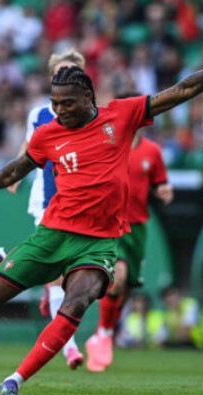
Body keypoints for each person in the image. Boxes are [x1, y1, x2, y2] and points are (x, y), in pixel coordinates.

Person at [0, 37, 203, 395]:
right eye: (54, 103)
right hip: (53, 234)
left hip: (98, 242)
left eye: (67, 103)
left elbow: (182, 89)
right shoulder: (48, 135)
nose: (59, 110)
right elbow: (17, 167)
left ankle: (14, 381)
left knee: (77, 301)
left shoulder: (120, 116)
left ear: (88, 99)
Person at [8, 48, 88, 370]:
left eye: (71, 72)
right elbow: (29, 148)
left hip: (80, 201)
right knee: (58, 276)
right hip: (47, 200)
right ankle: (69, 346)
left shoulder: (91, 115)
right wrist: (14, 175)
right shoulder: (39, 114)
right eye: (59, 73)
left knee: (71, 275)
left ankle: (49, 295)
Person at [85, 130, 173, 371]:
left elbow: (159, 182)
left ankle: (105, 333)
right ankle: (103, 333)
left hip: (138, 229)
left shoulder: (152, 151)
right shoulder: (108, 146)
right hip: (112, 224)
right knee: (118, 277)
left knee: (126, 287)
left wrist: (164, 190)